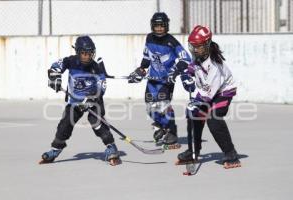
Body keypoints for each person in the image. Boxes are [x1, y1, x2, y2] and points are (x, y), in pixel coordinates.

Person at [39, 35, 120, 166]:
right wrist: (55, 78)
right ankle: (56, 149)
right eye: (83, 53)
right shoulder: (70, 61)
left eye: (89, 53)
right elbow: (55, 67)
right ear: (77, 52)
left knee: (96, 122)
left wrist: (92, 98)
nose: (87, 56)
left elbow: (102, 85)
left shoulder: (96, 67)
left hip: (93, 100)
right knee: (65, 124)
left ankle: (111, 147)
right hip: (75, 101)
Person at [176, 25, 241, 169]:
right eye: (192, 46)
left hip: (223, 92)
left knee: (213, 118)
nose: (195, 49)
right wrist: (184, 74)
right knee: (193, 115)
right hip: (208, 91)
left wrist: (196, 101)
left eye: (198, 46)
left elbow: (208, 94)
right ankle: (193, 150)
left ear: (207, 44)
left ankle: (231, 154)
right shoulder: (199, 56)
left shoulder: (214, 65)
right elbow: (192, 69)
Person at [128, 12, 191, 149]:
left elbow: (186, 59)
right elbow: (147, 58)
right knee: (150, 107)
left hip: (166, 80)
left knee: (163, 106)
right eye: (156, 26)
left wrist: (174, 72)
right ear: (152, 26)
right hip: (152, 79)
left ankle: (172, 133)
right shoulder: (149, 38)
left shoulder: (171, 41)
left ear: (166, 26)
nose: (159, 29)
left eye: (162, 26)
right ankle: (162, 126)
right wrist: (140, 70)